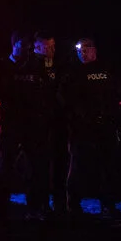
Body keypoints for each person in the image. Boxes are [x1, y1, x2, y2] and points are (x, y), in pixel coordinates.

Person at [0, 30, 48, 222]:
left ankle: (34, 209)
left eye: (28, 44)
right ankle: (1, 210)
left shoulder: (36, 67)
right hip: (9, 124)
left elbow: (44, 92)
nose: (27, 48)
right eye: (22, 44)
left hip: (32, 125)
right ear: (14, 45)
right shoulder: (1, 66)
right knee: (5, 168)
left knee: (35, 168)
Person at [61, 37, 121, 218]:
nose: (83, 52)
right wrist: (76, 116)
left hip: (105, 125)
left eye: (86, 49)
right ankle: (72, 204)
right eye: (79, 50)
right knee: (78, 166)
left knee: (107, 167)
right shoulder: (72, 72)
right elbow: (65, 98)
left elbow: (116, 93)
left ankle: (108, 204)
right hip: (81, 127)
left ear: (95, 49)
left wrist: (115, 115)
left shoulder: (106, 69)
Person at [26, 30, 70, 216]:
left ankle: (59, 204)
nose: (50, 50)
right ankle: (37, 205)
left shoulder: (60, 66)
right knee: (37, 167)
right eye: (46, 47)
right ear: (37, 47)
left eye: (52, 46)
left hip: (57, 124)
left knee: (59, 165)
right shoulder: (29, 67)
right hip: (37, 125)